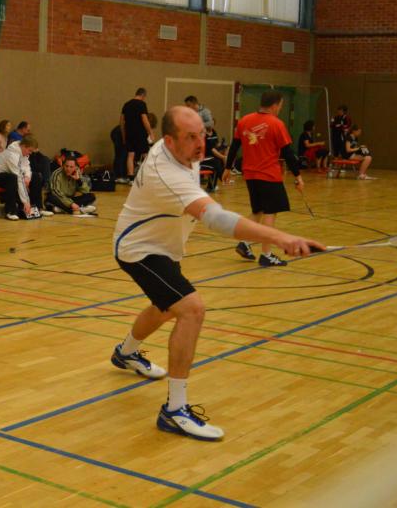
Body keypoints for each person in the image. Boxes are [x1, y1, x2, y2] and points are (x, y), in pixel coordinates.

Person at [112, 106, 321, 441]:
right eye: (191, 137)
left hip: (165, 246)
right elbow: (217, 218)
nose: (201, 144)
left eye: (203, 134)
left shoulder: (182, 150)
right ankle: (174, 410)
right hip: (140, 249)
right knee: (192, 309)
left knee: (166, 306)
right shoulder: (164, 171)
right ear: (169, 141)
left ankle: (125, 353)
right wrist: (281, 238)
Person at [222, 90, 304, 267]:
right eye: (280, 105)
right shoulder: (277, 124)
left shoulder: (244, 120)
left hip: (250, 174)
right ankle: (266, 255)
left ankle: (244, 242)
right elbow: (288, 153)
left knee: (258, 210)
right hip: (269, 175)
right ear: (275, 105)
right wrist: (298, 176)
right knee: (270, 213)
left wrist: (227, 168)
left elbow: (235, 146)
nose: (280, 109)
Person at [0, 136, 53, 221]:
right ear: (24, 146)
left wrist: (28, 177)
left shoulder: (23, 152)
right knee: (12, 178)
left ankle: (37, 208)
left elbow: (26, 166)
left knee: (35, 176)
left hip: (9, 174)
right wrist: (26, 201)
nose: (30, 153)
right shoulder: (12, 154)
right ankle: (10, 211)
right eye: (30, 150)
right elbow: (19, 178)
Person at [120, 88, 154, 183]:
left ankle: (131, 178)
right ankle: (147, 176)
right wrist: (150, 132)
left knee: (130, 154)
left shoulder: (126, 104)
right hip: (140, 133)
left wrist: (123, 136)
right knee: (145, 154)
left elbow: (121, 122)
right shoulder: (141, 104)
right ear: (143, 95)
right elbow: (144, 119)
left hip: (129, 133)